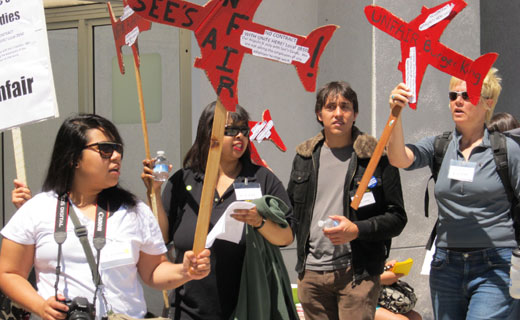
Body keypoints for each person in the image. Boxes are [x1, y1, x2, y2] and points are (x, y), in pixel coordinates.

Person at [0, 114, 211, 320]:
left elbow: (154, 271)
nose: (116, 156)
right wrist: (41, 306)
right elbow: (8, 273)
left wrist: (185, 271)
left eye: (118, 149)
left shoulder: (134, 210)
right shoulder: (38, 208)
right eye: (105, 149)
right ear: (74, 158)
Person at [141, 102, 296, 320]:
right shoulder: (184, 180)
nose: (239, 136)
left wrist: (259, 222)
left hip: (247, 308)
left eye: (244, 130)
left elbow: (286, 236)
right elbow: (161, 238)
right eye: (230, 131)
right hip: (189, 309)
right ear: (209, 134)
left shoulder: (262, 178)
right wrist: (154, 193)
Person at [387, 68, 520, 319]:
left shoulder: (507, 150)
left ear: (487, 102)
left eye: (467, 95)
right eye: (452, 95)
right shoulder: (440, 145)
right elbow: (398, 158)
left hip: (495, 263)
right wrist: (396, 114)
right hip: (446, 264)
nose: (458, 100)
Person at [287, 81, 407, 320]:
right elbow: (291, 215)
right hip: (311, 274)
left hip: (357, 274)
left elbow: (397, 218)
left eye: (345, 106)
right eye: (331, 107)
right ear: (319, 114)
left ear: (355, 113)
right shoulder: (304, 157)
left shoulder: (375, 156)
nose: (338, 113)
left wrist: (357, 230)